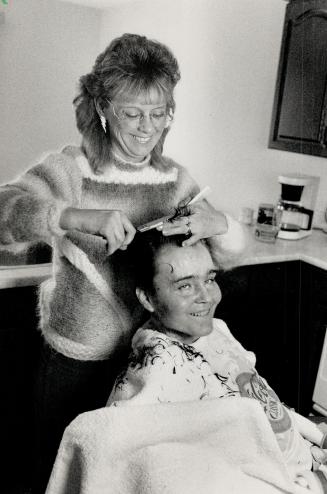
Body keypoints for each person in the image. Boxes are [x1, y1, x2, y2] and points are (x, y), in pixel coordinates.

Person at [0, 34, 245, 492]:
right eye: (131, 113)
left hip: (146, 364)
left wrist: (220, 225)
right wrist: (69, 215)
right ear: (103, 109)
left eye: (158, 114)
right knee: (53, 470)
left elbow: (228, 256)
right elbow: (4, 212)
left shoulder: (175, 180)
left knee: (117, 480)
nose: (145, 128)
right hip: (73, 363)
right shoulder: (73, 168)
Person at [107, 230, 327, 493]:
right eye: (185, 285)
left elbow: (260, 397)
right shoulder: (158, 365)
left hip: (309, 457)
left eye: (210, 279)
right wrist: (315, 483)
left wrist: (316, 437)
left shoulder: (214, 329)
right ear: (147, 298)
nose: (208, 297)